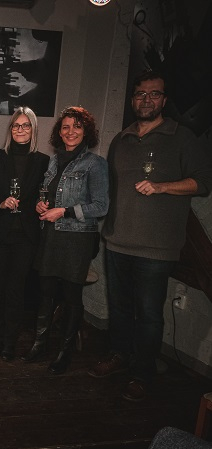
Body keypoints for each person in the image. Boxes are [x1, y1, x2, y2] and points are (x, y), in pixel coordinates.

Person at [90, 70, 212, 401]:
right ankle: (119, 355)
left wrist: (162, 187)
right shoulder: (121, 139)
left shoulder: (182, 137)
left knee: (148, 314)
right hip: (118, 240)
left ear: (164, 100)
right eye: (141, 94)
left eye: (154, 94)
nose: (147, 100)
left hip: (156, 248)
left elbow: (203, 182)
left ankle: (142, 373)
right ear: (133, 100)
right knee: (118, 307)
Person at [24, 106, 109, 374]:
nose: (71, 132)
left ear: (86, 132)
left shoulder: (95, 164)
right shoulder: (53, 161)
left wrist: (64, 211)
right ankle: (40, 343)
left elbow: (101, 206)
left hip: (77, 239)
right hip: (50, 234)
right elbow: (46, 193)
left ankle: (65, 352)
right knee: (45, 290)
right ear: (59, 132)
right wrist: (40, 204)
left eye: (77, 127)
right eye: (66, 127)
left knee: (72, 295)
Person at [0, 107, 49, 361]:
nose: (20, 130)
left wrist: (42, 204)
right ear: (10, 129)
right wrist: (0, 203)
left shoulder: (43, 161)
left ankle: (10, 341)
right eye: (16, 125)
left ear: (33, 129)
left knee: (16, 290)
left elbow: (45, 196)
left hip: (25, 237)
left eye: (26, 125)